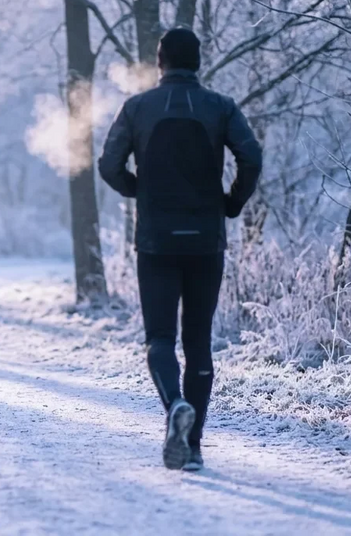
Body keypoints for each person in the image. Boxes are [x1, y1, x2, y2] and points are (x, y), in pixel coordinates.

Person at [98, 28, 262, 471]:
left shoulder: (138, 107)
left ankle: (175, 404)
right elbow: (252, 158)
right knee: (198, 341)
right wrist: (231, 203)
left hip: (156, 240)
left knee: (160, 338)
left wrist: (140, 190)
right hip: (206, 239)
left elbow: (108, 165)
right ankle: (193, 448)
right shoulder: (221, 107)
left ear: (160, 62)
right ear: (198, 62)